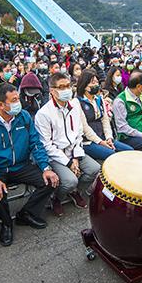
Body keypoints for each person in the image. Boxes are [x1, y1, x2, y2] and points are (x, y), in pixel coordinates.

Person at [0, 83, 59, 246]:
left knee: (50, 181)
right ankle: (6, 223)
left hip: (21, 165)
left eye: (18, 98)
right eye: (14, 100)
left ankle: (26, 214)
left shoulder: (24, 117)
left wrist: (45, 167)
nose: (19, 103)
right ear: (1, 105)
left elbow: (36, 143)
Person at [35, 73, 100, 216]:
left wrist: (75, 157)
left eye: (68, 86)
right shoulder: (44, 114)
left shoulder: (74, 107)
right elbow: (46, 145)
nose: (66, 90)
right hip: (56, 155)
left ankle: (74, 191)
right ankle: (57, 197)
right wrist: (69, 162)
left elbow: (78, 133)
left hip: (73, 151)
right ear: (52, 90)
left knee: (95, 169)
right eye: (61, 87)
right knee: (70, 180)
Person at [77, 69, 132, 161]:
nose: (95, 85)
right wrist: (100, 142)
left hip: (103, 136)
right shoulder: (78, 102)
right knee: (112, 155)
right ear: (84, 85)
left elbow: (105, 120)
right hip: (88, 141)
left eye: (96, 82)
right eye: (92, 82)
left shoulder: (99, 99)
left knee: (129, 151)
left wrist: (109, 138)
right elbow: (85, 128)